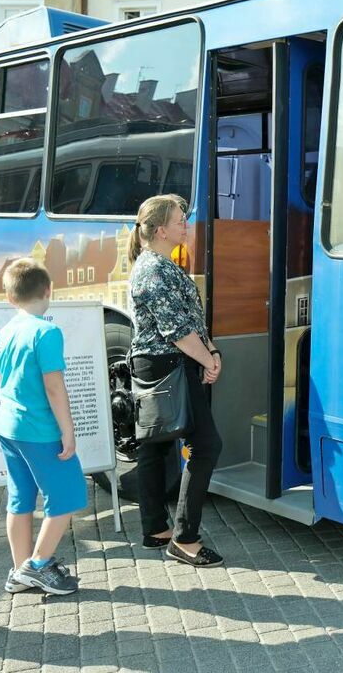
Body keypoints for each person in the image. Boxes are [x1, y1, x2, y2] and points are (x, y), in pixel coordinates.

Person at [128, 194, 225, 566]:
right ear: (161, 229)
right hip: (168, 364)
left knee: (155, 447)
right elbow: (176, 330)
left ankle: (155, 529)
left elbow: (191, 321)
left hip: (162, 363)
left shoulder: (160, 264)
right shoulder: (155, 270)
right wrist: (207, 359)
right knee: (206, 445)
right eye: (180, 219)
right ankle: (185, 539)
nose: (186, 223)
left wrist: (211, 353)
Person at [0, 259, 85, 596]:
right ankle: (38, 565)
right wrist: (68, 430)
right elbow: (54, 386)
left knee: (21, 499)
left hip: (8, 427)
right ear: (48, 291)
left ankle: (19, 571)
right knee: (68, 495)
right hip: (39, 429)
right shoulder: (46, 332)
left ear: (9, 297)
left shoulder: (7, 330)